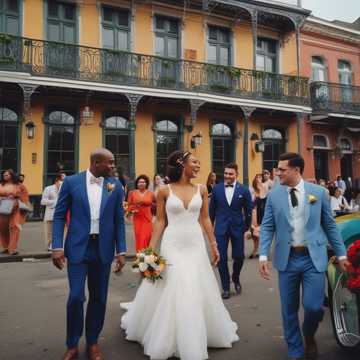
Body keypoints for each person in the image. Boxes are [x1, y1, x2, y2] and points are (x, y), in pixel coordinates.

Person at [121, 150, 238, 360]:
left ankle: (195, 333)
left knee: (194, 284)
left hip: (194, 243)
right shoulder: (164, 191)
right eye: (194, 162)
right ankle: (170, 336)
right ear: (181, 164)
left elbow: (205, 220)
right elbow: (160, 222)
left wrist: (214, 245)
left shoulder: (202, 189)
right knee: (174, 283)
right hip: (172, 243)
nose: (198, 166)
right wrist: (149, 251)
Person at [259, 152, 349, 360]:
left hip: (313, 258)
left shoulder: (319, 192)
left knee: (314, 307)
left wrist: (342, 254)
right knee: (288, 309)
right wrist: (263, 255)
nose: (277, 173)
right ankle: (296, 350)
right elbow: (267, 226)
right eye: (277, 169)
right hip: (287, 258)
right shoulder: (274, 195)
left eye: (282, 169)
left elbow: (330, 226)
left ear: (296, 170)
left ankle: (308, 334)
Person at [52, 148, 126, 360]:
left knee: (99, 298)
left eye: (113, 163)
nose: (113, 166)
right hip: (77, 248)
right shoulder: (72, 182)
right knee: (76, 297)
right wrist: (56, 246)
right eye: (109, 163)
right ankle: (72, 344)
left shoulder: (116, 185)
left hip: (102, 249)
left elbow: (118, 220)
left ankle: (93, 342)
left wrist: (121, 250)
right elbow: (58, 216)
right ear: (96, 163)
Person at [209, 163, 252, 299]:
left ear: (236, 175)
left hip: (238, 227)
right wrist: (210, 229)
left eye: (230, 174)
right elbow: (211, 211)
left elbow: (249, 211)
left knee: (239, 256)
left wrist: (247, 228)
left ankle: (236, 276)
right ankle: (226, 287)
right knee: (221, 258)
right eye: (226, 173)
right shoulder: (216, 189)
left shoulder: (244, 190)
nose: (227, 176)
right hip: (220, 228)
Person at [0, 170, 28, 255]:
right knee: (2, 229)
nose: (5, 176)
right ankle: (6, 247)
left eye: (7, 175)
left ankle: (12, 249)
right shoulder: (1, 185)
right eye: (4, 175)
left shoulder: (20, 186)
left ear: (11, 175)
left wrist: (17, 198)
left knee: (15, 227)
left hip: (16, 209)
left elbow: (25, 196)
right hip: (2, 209)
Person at [127, 174, 155, 252]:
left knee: (146, 238)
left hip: (148, 219)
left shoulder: (151, 194)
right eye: (139, 182)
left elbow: (156, 205)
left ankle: (147, 260)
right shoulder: (132, 193)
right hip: (137, 219)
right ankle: (141, 260)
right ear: (137, 184)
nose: (141, 183)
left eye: (143, 182)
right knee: (139, 238)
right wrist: (132, 210)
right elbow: (129, 205)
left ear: (146, 184)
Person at [248, 173, 267, 259]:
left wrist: (261, 186)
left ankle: (262, 252)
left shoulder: (264, 187)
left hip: (262, 212)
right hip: (254, 212)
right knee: (254, 236)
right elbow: (250, 203)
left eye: (260, 177)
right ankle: (255, 251)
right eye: (257, 177)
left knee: (260, 234)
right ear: (255, 179)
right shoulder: (251, 189)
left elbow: (265, 198)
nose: (259, 179)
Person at [41, 175, 62, 251]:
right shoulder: (48, 188)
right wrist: (55, 202)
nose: (62, 183)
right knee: (49, 232)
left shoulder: (64, 189)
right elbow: (43, 201)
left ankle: (58, 246)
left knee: (59, 231)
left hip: (61, 214)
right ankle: (49, 245)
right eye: (61, 181)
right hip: (50, 214)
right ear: (56, 181)